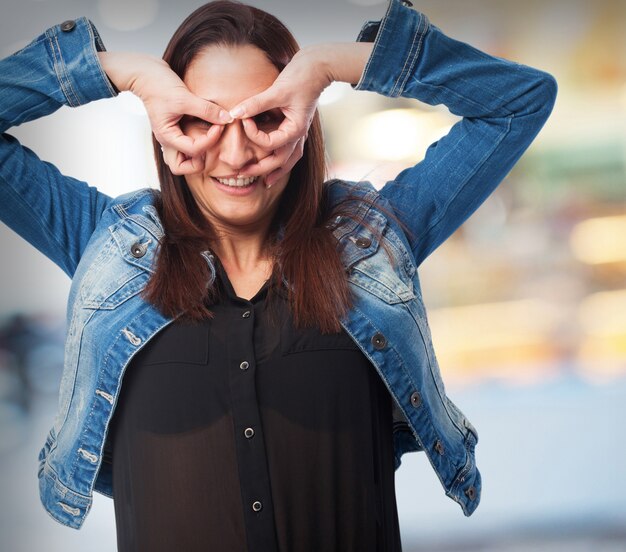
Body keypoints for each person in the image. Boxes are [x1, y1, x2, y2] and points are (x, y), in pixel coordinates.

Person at [0, 0, 557, 550]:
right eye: (203, 119)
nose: (237, 152)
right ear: (167, 127)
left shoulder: (373, 242)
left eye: (265, 117)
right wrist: (129, 75)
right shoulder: (104, 245)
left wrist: (330, 66)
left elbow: (518, 102)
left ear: (304, 123)